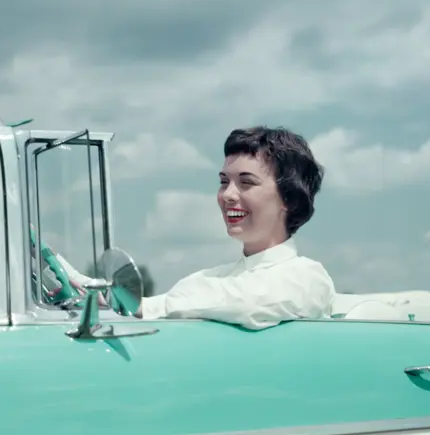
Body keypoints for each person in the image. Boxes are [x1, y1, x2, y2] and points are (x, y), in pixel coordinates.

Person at [138, 126, 335, 330]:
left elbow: (248, 302)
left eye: (246, 182)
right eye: (224, 182)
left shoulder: (307, 278)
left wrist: (148, 306)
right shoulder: (206, 279)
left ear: (289, 199)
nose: (227, 195)